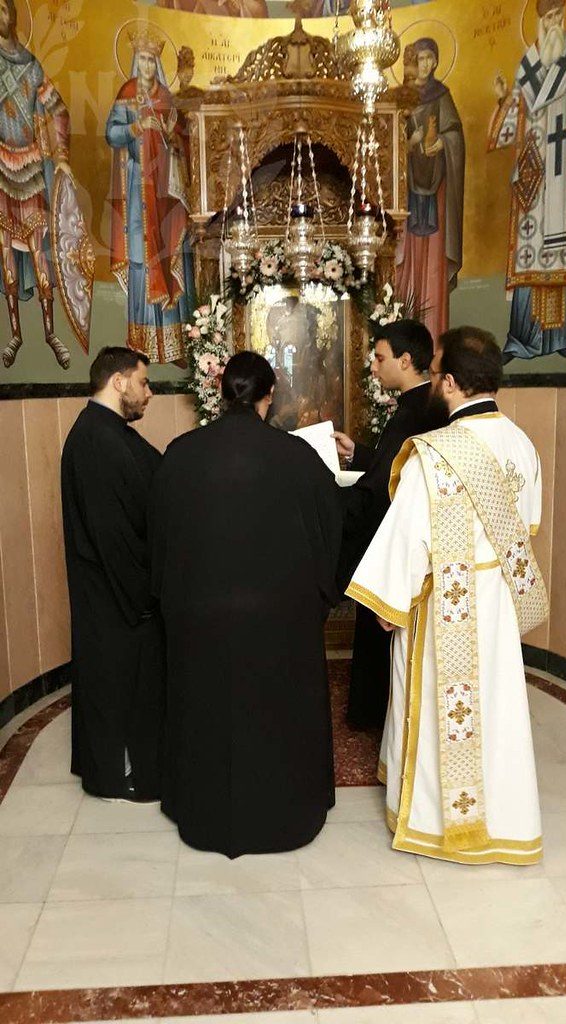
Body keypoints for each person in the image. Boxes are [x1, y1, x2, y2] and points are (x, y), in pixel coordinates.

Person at [347, 327, 548, 865]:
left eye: (437, 374)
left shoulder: (433, 456)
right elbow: (526, 525)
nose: (435, 383)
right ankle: (506, 821)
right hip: (496, 604)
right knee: (497, 710)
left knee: (443, 709)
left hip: (445, 607)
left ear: (452, 382)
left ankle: (437, 823)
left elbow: (408, 540)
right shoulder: (523, 444)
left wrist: (387, 605)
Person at [149, 351, 342, 857]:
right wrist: (319, 598)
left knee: (207, 715)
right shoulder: (299, 456)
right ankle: (284, 812)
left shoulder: (181, 454)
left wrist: (173, 598)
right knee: (278, 721)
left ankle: (205, 810)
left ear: (221, 393)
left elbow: (159, 537)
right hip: (281, 619)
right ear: (269, 395)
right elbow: (330, 531)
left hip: (200, 616)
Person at [333, 319, 447, 730]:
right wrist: (360, 454)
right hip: (391, 529)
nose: (374, 367)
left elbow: (384, 486)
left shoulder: (417, 411)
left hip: (391, 537)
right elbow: (393, 465)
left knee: (380, 634)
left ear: (405, 359)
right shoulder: (416, 405)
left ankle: (375, 718)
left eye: (380, 359)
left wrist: (328, 503)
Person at [61, 347, 164, 802]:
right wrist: (145, 598)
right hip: (115, 596)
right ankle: (117, 774)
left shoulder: (107, 431)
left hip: (117, 591)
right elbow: (112, 535)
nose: (149, 392)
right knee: (115, 685)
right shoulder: (96, 440)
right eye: (143, 382)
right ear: (119, 382)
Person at [488, 0, 566, 362]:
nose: (554, 22)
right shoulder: (528, 66)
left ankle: (561, 338)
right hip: (534, 175)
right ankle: (523, 340)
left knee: (562, 253)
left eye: (558, 15)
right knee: (530, 252)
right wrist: (502, 100)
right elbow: (510, 126)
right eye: (548, 17)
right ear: (539, 21)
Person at [106, 25, 194, 365]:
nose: (146, 65)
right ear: (135, 61)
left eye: (151, 60)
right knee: (142, 258)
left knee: (169, 253)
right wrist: (136, 126)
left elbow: (181, 137)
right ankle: (141, 342)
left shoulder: (167, 98)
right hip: (137, 189)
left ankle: (173, 346)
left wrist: (171, 133)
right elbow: (111, 133)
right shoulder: (127, 93)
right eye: (141, 58)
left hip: (165, 191)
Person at [0, 0, 74, 369]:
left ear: (13, 15)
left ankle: (50, 333)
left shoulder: (31, 65)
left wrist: (61, 156)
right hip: (0, 168)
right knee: (6, 256)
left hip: (30, 166)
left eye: (2, 8)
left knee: (39, 252)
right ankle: (15, 333)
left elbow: (58, 108)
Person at [396, 37, 465, 343]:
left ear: (435, 62)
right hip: (406, 193)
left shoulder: (442, 96)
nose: (423, 64)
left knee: (432, 258)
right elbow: (386, 141)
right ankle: (402, 329)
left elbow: (455, 135)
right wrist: (409, 144)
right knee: (406, 259)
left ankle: (433, 335)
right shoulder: (400, 98)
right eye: (419, 59)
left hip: (436, 188)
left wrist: (442, 143)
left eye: (428, 58)